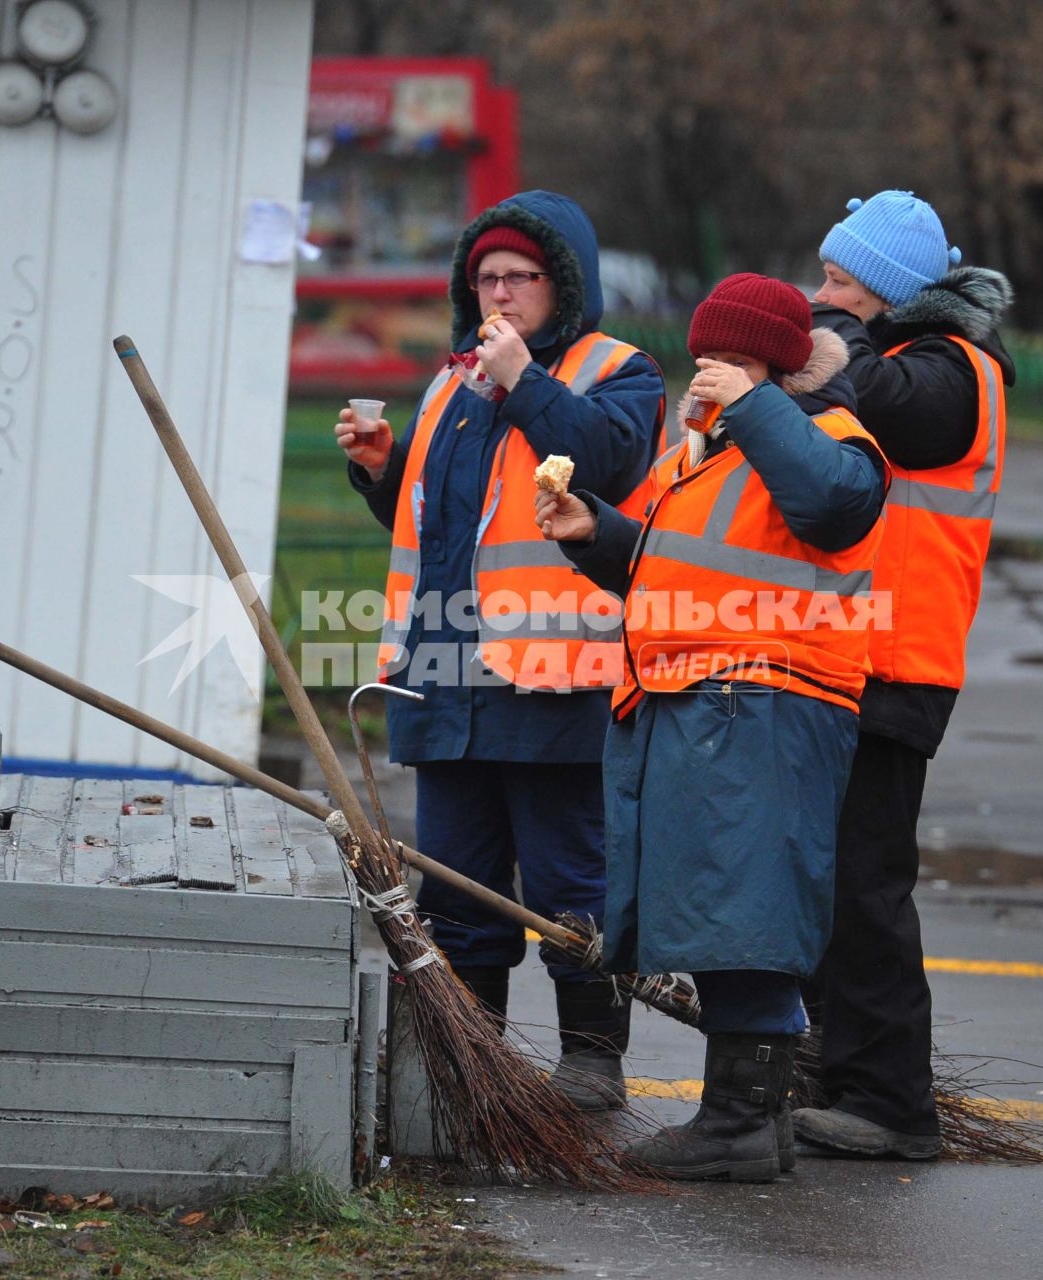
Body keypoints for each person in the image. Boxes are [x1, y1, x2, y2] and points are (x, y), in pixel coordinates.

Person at [536, 274, 888, 1180]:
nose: (710, 377)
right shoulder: (700, 454)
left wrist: (759, 406)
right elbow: (664, 571)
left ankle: (735, 1124)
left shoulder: (831, 438)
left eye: (731, 362)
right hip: (699, 705)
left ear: (776, 367)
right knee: (725, 911)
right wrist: (592, 532)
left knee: (749, 911)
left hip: (770, 705)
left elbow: (833, 506)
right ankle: (748, 1124)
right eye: (706, 360)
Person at [335, 190, 666, 1109]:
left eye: (522, 278)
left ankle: (592, 1062)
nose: (503, 294)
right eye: (488, 278)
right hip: (442, 677)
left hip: (556, 677)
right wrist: (382, 470)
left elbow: (604, 463)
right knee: (458, 888)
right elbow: (447, 528)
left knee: (572, 881)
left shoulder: (619, 371)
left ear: (564, 287)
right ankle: (467, 1069)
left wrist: (524, 379)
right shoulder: (452, 382)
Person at [792, 190, 1014, 1160]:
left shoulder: (954, 370)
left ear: (888, 293)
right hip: (849, 654)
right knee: (828, 878)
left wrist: (823, 356)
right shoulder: (906, 360)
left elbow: (889, 404)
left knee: (864, 883)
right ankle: (838, 1065)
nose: (823, 293)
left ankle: (889, 1101)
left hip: (895, 662)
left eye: (841, 281)